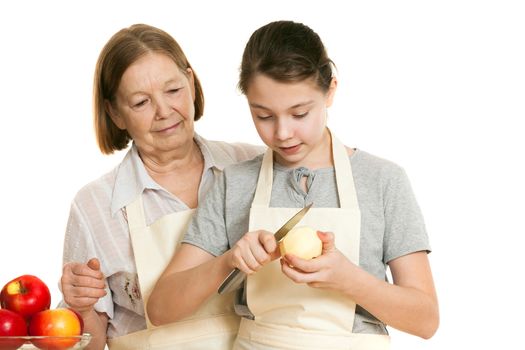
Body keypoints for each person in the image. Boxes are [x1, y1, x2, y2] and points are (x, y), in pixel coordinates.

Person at [148, 20, 439, 349]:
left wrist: (348, 278)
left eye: (299, 113)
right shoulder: (236, 183)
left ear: (330, 91)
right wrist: (228, 260)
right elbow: (161, 308)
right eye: (264, 115)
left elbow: (425, 320)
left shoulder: (383, 181)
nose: (282, 133)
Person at [59, 23, 263, 350]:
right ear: (115, 113)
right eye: (141, 102)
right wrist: (82, 307)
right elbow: (91, 345)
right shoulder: (94, 206)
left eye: (173, 91)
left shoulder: (253, 166)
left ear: (192, 83)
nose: (164, 111)